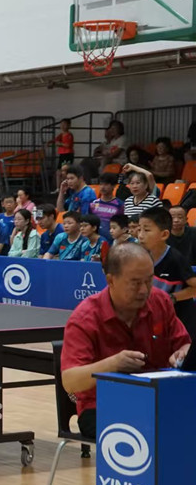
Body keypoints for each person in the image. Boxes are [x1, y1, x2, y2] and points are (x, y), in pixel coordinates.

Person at [61, 243, 190, 438]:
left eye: (149, 280)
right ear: (110, 280)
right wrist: (113, 364)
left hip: (158, 399)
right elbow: (70, 381)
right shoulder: (85, 319)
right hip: (102, 406)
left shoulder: (161, 302)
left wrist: (183, 353)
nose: (144, 290)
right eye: (135, 282)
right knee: (153, 430)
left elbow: (184, 344)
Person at [137, 206, 196, 341]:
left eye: (146, 230)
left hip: (180, 321)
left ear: (164, 235)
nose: (140, 235)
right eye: (139, 229)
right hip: (156, 319)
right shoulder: (140, 255)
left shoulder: (175, 259)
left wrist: (172, 298)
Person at [88, 172, 124, 240]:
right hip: (96, 241)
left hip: (112, 241)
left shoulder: (120, 205)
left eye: (106, 184)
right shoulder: (93, 204)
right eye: (101, 184)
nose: (102, 187)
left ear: (113, 186)